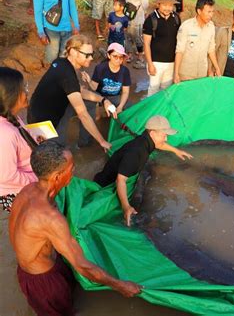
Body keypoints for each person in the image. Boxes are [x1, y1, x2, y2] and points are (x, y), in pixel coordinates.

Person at [9, 141, 142, 316]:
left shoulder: (27, 190)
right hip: (44, 282)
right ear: (57, 176)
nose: (74, 171)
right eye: (71, 168)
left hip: (36, 267)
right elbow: (83, 266)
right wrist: (121, 285)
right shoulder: (49, 218)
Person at [94, 115, 192, 226]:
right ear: (153, 133)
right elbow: (120, 180)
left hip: (121, 174)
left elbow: (160, 144)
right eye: (164, 135)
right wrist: (126, 207)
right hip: (106, 185)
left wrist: (176, 151)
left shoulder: (145, 140)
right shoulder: (137, 152)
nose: (166, 139)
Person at [27, 35, 113, 150]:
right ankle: (55, 145)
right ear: (73, 52)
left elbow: (78, 91)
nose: (91, 58)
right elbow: (82, 114)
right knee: (57, 152)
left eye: (92, 54)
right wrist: (102, 141)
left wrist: (103, 100)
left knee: (90, 103)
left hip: (44, 109)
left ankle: (85, 141)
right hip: (44, 124)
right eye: (87, 55)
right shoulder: (68, 75)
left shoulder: (61, 62)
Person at [0, 67, 38, 212]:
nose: (27, 92)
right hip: (20, 192)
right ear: (10, 96)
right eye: (23, 88)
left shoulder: (12, 116)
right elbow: (7, 176)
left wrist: (35, 138)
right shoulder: (4, 134)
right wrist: (39, 180)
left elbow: (21, 135)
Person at [79, 43, 131, 147]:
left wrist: (120, 107)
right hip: (100, 96)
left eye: (121, 57)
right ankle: (85, 142)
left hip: (115, 97)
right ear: (108, 55)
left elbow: (125, 91)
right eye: (115, 56)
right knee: (89, 111)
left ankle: (126, 133)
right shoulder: (101, 68)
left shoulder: (125, 71)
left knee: (130, 107)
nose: (118, 60)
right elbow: (93, 88)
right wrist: (89, 81)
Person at [33, 0, 80, 64]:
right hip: (51, 29)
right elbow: (38, 13)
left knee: (64, 56)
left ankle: (60, 76)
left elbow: (72, 7)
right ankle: (50, 76)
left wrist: (76, 25)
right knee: (52, 57)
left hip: (67, 28)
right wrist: (41, 33)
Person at [174, 0, 221, 83]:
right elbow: (179, 51)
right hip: (186, 74)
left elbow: (211, 50)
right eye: (208, 12)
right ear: (199, 11)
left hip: (202, 75)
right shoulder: (186, 26)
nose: (211, 15)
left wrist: (217, 68)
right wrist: (176, 73)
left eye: (212, 12)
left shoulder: (211, 27)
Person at [143, 0, 181, 96]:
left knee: (166, 92)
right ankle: (151, 113)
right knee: (153, 91)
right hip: (156, 62)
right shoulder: (151, 20)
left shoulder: (176, 18)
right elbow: (146, 43)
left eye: (170, 5)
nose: (168, 8)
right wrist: (150, 64)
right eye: (164, 5)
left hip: (171, 62)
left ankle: (162, 113)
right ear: (158, 4)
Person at [124, 0, 149, 69]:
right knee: (128, 36)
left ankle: (141, 59)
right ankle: (129, 55)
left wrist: (144, 12)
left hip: (137, 18)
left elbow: (145, 3)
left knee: (138, 38)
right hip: (128, 16)